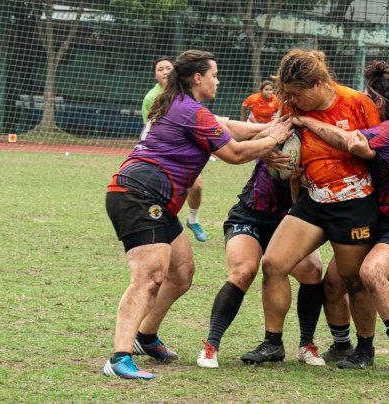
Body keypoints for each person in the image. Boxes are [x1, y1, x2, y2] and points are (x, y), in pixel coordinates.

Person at [103, 49, 294, 380]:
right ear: (197, 78)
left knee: (182, 273)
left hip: (154, 199)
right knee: (148, 277)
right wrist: (272, 139)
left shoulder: (180, 104)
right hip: (140, 196)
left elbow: (227, 126)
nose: (217, 80)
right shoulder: (190, 110)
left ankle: (146, 336)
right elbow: (234, 153)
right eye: (214, 75)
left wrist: (270, 127)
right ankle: (119, 357)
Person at [240, 49, 381, 366]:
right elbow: (272, 137)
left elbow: (378, 150)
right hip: (313, 199)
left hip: (354, 203)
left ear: (319, 83)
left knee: (350, 280)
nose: (290, 100)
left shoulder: (357, 103)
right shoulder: (290, 105)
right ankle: (273, 343)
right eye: (286, 94)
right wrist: (270, 156)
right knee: (274, 263)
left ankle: (364, 349)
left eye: (296, 93)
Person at [294, 61, 389, 373]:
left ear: (378, 103)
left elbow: (351, 142)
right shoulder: (383, 129)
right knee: (333, 282)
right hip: (378, 222)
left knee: (371, 273)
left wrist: (306, 120)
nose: (357, 100)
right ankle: (349, 346)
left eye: (364, 96)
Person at [196, 160, 326, 368]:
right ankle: (211, 345)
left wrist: (296, 179)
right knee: (243, 272)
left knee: (312, 270)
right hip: (250, 215)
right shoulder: (273, 132)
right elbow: (244, 138)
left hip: (290, 220)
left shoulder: (319, 147)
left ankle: (305, 345)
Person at [142, 56, 208, 242]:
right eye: (160, 69)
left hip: (187, 149)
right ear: (155, 75)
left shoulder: (185, 93)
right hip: (164, 153)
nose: (164, 71)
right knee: (163, 189)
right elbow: (152, 128)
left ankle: (193, 219)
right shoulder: (151, 98)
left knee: (196, 186)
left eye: (168, 68)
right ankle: (159, 221)